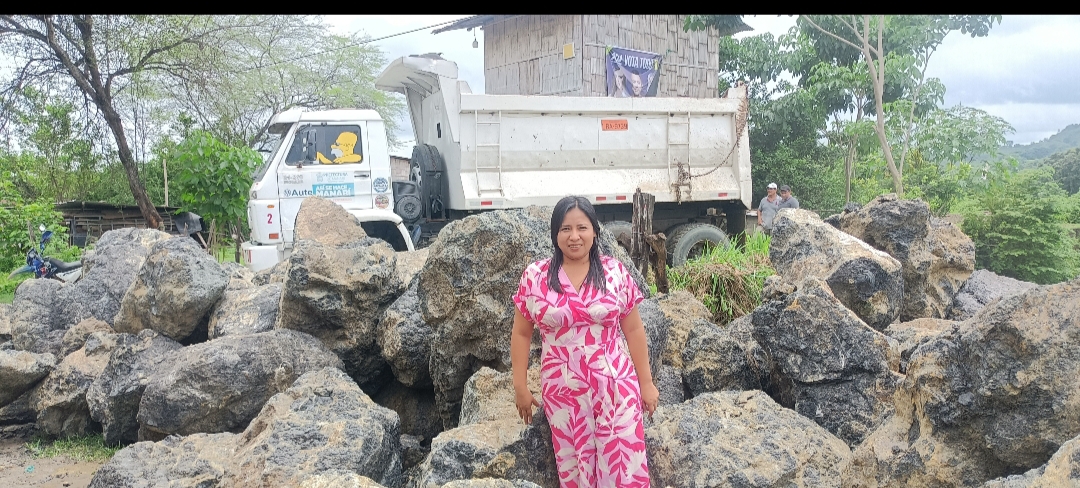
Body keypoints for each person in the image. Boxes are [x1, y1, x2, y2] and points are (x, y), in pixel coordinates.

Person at [511, 195, 657, 487]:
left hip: (615, 388)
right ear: (555, 234)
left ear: (594, 231)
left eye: (582, 228)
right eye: (565, 229)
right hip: (563, 392)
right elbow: (521, 333)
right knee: (576, 472)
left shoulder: (614, 272)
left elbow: (633, 330)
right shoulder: (535, 277)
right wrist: (520, 387)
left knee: (622, 469)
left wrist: (646, 383)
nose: (574, 236)